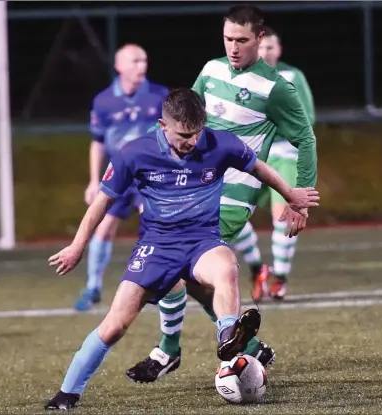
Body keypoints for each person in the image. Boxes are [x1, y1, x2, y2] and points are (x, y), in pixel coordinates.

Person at [44, 88, 319, 410]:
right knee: (115, 325)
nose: (191, 141)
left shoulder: (220, 143)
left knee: (226, 266)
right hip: (155, 247)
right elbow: (101, 202)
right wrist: (77, 246)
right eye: (183, 134)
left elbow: (258, 167)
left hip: (201, 240)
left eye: (196, 133)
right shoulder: (135, 152)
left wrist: (290, 194)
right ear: (163, 125)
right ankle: (67, 393)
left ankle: (229, 336)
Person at [126, 4, 317, 384]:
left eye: (242, 40)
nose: (233, 47)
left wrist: (301, 197)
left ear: (259, 39)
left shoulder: (276, 88)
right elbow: (183, 117)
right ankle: (246, 347)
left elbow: (305, 138)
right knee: (194, 278)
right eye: (228, 38)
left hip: (232, 195)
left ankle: (169, 350)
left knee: (172, 263)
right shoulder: (212, 71)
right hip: (193, 188)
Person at [74, 44, 169, 311]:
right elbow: (98, 142)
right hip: (119, 173)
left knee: (154, 225)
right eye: (135, 61)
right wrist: (94, 180)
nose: (142, 66)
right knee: (102, 229)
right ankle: (93, 287)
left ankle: (158, 282)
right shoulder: (104, 101)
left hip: (151, 175)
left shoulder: (159, 96)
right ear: (119, 66)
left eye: (144, 60)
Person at [233, 25, 317, 301]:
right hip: (250, 154)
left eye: (271, 46)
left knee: (284, 214)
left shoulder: (292, 76)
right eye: (262, 46)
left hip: (283, 153)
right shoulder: (240, 76)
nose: (266, 51)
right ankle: (258, 268)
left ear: (278, 49)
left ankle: (280, 277)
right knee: (230, 211)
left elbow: (307, 120)